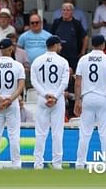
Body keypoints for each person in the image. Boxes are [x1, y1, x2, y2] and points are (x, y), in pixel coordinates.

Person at [74, 35, 106, 169]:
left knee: (85, 133)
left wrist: (77, 100)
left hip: (87, 97)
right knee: (105, 133)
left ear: (91, 45)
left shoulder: (83, 59)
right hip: (102, 98)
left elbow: (77, 82)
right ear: (103, 45)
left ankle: (80, 163)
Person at [0, 38, 25, 169]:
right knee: (14, 134)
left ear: (0, 50)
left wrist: (0, 99)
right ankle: (16, 163)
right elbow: (20, 86)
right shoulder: (18, 66)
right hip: (12, 103)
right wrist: (10, 99)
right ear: (11, 49)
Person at [31, 36, 69, 169]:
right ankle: (57, 163)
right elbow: (64, 82)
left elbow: (34, 81)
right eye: (60, 45)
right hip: (57, 99)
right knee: (57, 132)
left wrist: (45, 95)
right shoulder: (63, 61)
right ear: (56, 45)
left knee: (40, 132)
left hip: (43, 99)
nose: (61, 47)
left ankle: (38, 163)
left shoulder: (37, 61)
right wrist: (55, 96)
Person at [50, 2, 88, 71]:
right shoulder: (56, 22)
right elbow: (51, 36)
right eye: (64, 10)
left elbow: (85, 37)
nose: (65, 12)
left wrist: (82, 52)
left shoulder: (76, 23)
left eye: (68, 10)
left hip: (73, 56)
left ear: (72, 12)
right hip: (58, 55)